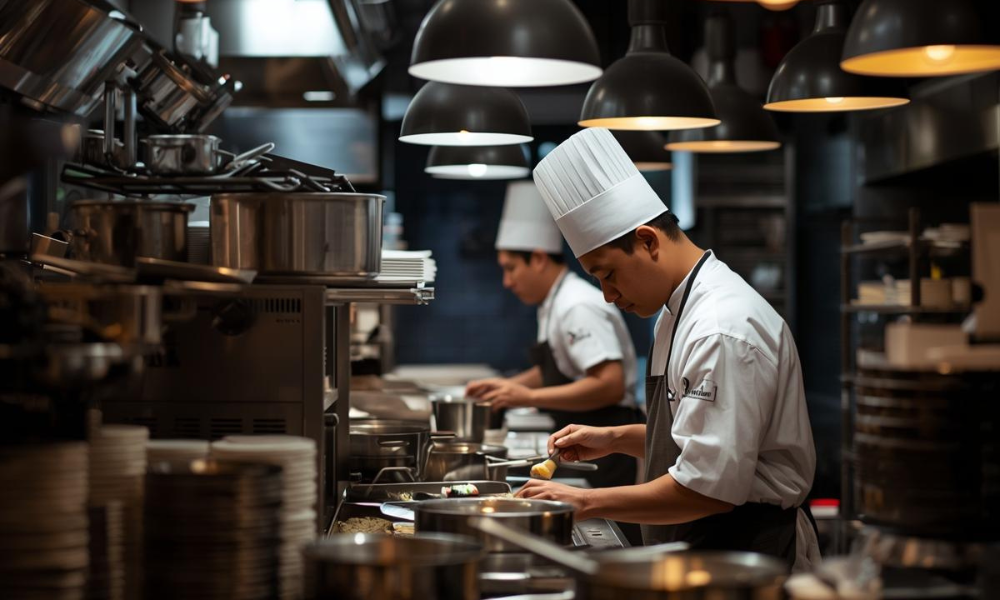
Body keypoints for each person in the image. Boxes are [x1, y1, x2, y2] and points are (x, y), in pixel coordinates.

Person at [516, 128, 820, 572]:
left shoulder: (719, 328)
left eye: (608, 274)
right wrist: (615, 438)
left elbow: (707, 488)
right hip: (703, 545)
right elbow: (707, 441)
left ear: (648, 240)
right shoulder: (675, 312)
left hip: (748, 552)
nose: (607, 295)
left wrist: (584, 501)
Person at [466, 181, 643, 491]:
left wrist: (528, 397)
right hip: (581, 434)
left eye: (510, 269)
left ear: (538, 258)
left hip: (605, 439)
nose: (507, 282)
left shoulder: (577, 305)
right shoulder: (553, 302)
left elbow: (609, 385)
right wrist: (510, 387)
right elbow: (558, 369)